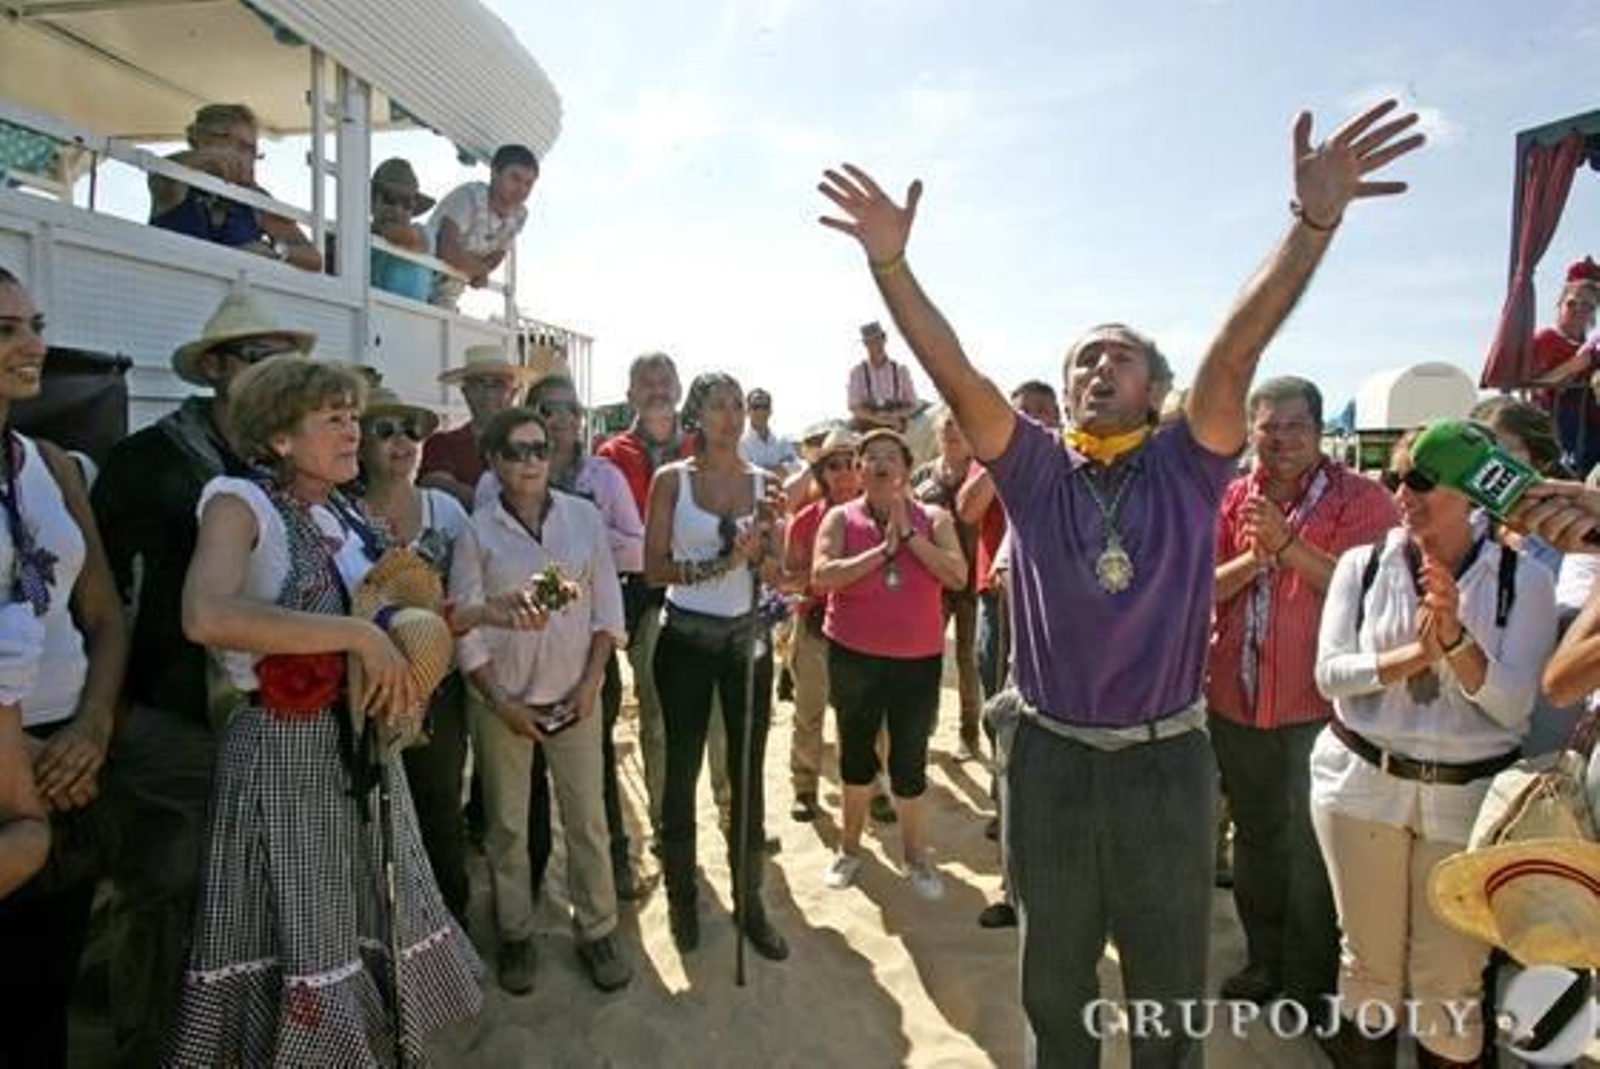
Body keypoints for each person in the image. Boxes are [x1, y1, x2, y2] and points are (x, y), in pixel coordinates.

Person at [816, 98, 1424, 1066]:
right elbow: (954, 369)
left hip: (1165, 764)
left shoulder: (1190, 462)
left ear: (1156, 385)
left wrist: (1310, 225)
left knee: (1166, 982)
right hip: (1049, 759)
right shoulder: (1034, 468)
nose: (1098, 365)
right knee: (1055, 984)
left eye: (1120, 354)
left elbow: (1237, 352)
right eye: (1082, 357)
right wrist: (890, 262)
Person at [171, 356, 480, 1064]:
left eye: (353, 416)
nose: (353, 432)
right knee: (301, 933)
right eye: (334, 419)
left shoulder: (342, 511)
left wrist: (448, 622)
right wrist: (357, 634)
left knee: (357, 919)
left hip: (355, 752)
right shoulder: (237, 500)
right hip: (284, 753)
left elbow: (393, 610)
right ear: (279, 437)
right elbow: (205, 612)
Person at [91, 286, 313, 1066]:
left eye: (287, 359)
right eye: (259, 356)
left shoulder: (292, 469)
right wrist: (110, 716)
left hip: (271, 722)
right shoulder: (144, 463)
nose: (276, 372)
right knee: (170, 887)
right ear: (215, 366)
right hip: (170, 718)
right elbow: (105, 598)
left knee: (256, 895)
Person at [1311, 429, 1555, 1064]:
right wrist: (1412, 656)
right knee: (1366, 970)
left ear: (1469, 492)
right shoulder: (1361, 566)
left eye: (1419, 480)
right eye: (1396, 479)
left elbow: (1513, 705)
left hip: (1466, 798)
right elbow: (1331, 675)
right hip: (1362, 786)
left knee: (1447, 985)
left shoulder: (1519, 580)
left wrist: (1455, 643)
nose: (1402, 494)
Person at [1205, 376, 1398, 1018]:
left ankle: (1309, 982)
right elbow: (1201, 591)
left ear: (1318, 433)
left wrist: (1286, 547)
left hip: (1321, 711)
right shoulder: (1230, 497)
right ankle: (1264, 961)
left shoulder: (1363, 500)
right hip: (1237, 700)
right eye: (1268, 426)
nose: (1280, 439)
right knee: (1258, 840)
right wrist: (1256, 560)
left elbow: (1370, 593)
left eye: (1294, 426)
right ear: (1250, 431)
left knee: (1315, 853)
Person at [452, 406, 633, 995]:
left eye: (538, 449)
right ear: (494, 461)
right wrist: (498, 700)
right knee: (506, 827)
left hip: (576, 697)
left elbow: (607, 610)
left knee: (588, 820)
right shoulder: (476, 531)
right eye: (515, 451)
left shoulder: (583, 519)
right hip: (502, 704)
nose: (529, 460)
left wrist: (591, 685)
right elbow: (464, 628)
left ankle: (599, 928)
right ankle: (516, 934)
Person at [0, 267, 130, 1067]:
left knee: (43, 986)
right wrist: (33, 758)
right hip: (13, 769)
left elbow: (107, 616)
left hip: (72, 760)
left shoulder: (50, 462)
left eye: (33, 322)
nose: (33, 343)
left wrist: (93, 725)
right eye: (6, 329)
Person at [643, 371, 788, 961]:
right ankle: (682, 897)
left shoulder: (767, 483)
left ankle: (749, 901)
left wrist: (769, 543)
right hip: (685, 639)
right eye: (718, 405)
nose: (730, 415)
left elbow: (777, 573)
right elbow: (654, 570)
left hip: (745, 641)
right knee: (682, 770)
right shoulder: (670, 481)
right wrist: (729, 559)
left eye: (736, 404)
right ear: (697, 415)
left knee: (749, 769)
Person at [812, 429, 966, 898]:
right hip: (854, 656)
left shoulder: (935, 517)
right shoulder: (841, 518)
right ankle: (850, 849)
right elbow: (821, 577)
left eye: (890, 457)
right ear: (858, 470)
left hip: (916, 660)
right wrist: (882, 552)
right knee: (855, 754)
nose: (880, 465)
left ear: (905, 467)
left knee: (910, 760)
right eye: (870, 458)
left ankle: (917, 857)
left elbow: (957, 573)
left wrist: (910, 538)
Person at [518, 372, 646, 902]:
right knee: (529, 777)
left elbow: (636, 550)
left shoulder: (605, 478)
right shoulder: (504, 476)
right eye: (549, 409)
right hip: (521, 644)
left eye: (571, 408)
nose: (563, 419)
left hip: (589, 639)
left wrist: (587, 533)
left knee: (595, 761)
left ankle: (613, 864)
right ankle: (533, 878)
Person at [595, 352, 732, 847]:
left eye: (664, 381)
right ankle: (664, 823)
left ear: (678, 390)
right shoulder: (610, 455)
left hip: (712, 597)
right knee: (656, 718)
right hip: (650, 602)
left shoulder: (706, 446)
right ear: (630, 393)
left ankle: (729, 811)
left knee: (720, 709)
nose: (656, 390)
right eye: (645, 382)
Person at [355, 385, 474, 924]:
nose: (402, 441)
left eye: (411, 429)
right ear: (358, 441)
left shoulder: (446, 511)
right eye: (384, 429)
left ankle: (453, 923)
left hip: (440, 690)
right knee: (372, 815)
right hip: (368, 693)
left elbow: (471, 592)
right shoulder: (342, 516)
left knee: (440, 809)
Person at [783, 426, 862, 822]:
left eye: (852, 463)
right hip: (815, 625)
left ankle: (870, 785)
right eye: (835, 465)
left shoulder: (879, 516)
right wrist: (824, 579)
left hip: (865, 630)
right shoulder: (804, 521)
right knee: (809, 710)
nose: (845, 472)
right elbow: (790, 576)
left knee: (864, 714)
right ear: (823, 472)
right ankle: (805, 787)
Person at [149, 103, 322, 271]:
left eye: (255, 153)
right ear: (204, 140)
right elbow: (162, 172)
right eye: (243, 147)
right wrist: (209, 158)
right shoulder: (178, 180)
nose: (251, 159)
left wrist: (276, 250)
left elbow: (313, 259)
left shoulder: (254, 197)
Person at [911, 408, 982, 758]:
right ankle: (924, 728)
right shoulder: (923, 474)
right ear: (937, 432)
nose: (953, 431)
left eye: (960, 424)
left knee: (969, 662)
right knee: (926, 657)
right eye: (947, 425)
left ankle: (969, 734)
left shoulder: (981, 471)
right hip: (931, 582)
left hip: (972, 584)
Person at [419, 344, 535, 508]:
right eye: (479, 383)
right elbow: (436, 486)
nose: (488, 393)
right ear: (465, 392)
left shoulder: (532, 444)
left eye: (498, 384)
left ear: (513, 393)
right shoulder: (442, 444)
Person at [429, 143, 538, 309]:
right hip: (418, 277)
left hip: (447, 294)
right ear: (494, 172)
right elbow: (447, 250)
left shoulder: (519, 215)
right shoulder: (469, 197)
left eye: (529, 183)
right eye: (515, 178)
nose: (521, 190)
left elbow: (497, 255)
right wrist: (479, 270)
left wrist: (481, 269)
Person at [1527, 258, 1600, 473]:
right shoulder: (1546, 339)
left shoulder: (1592, 345)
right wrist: (1575, 366)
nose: (1579, 309)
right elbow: (1538, 385)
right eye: (1572, 303)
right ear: (1560, 303)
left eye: (1588, 306)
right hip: (1563, 430)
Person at [370, 158, 438, 302]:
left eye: (407, 203)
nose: (397, 210)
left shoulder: (423, 232)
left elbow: (408, 237)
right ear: (372, 200)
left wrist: (377, 228)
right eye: (390, 199)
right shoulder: (359, 235)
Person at [847, 321, 919, 431]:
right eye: (871, 341)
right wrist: (879, 420)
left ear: (885, 339)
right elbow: (854, 407)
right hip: (866, 428)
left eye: (879, 339)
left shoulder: (901, 370)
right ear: (865, 344)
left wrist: (894, 416)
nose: (877, 344)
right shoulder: (857, 372)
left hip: (897, 425)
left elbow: (913, 405)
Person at [739, 387, 799, 476]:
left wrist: (760, 469)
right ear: (747, 411)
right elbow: (746, 475)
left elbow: (796, 468)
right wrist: (780, 468)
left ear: (770, 411)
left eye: (765, 406)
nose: (760, 411)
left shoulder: (782, 440)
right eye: (756, 407)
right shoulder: (740, 443)